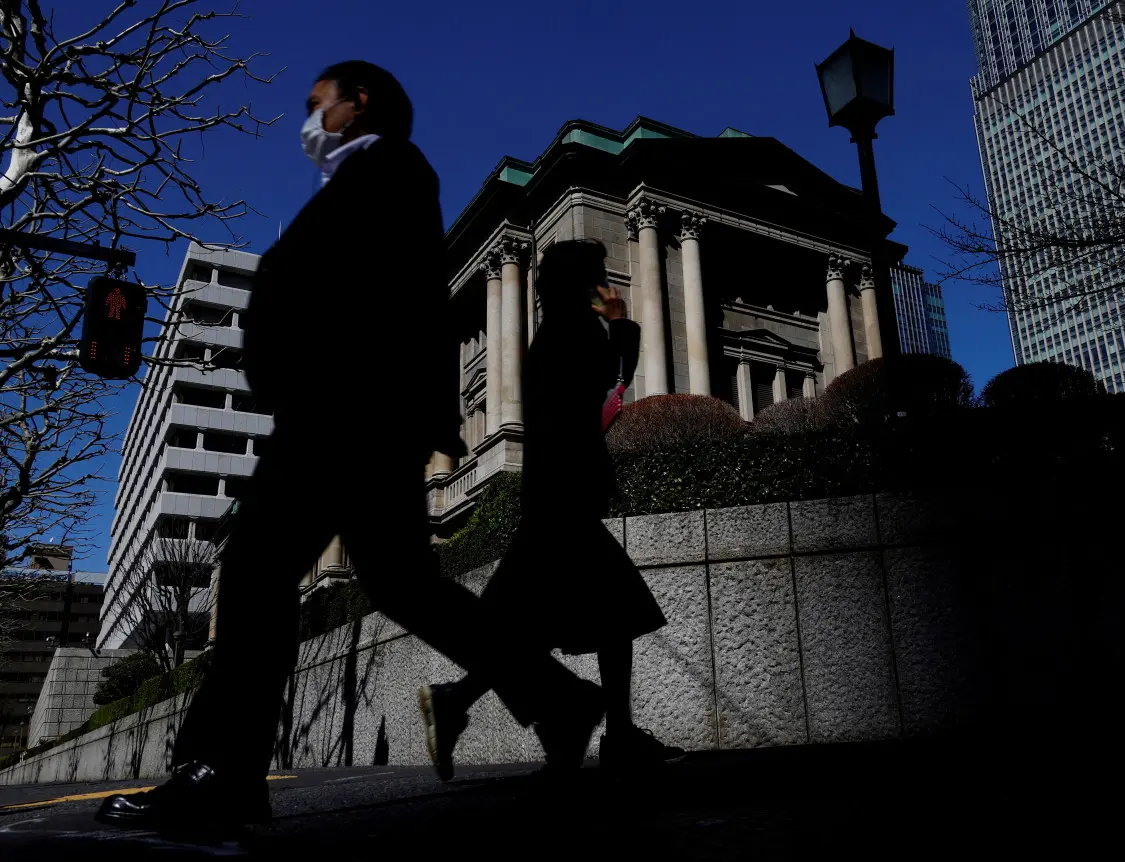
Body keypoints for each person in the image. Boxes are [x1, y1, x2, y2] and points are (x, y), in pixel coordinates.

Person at [95, 62, 603, 831]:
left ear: (357, 101)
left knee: (259, 569)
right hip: (361, 411)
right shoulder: (374, 177)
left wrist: (311, 371)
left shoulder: (391, 167)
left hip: (343, 408)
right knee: (403, 582)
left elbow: (377, 298)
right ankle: (559, 700)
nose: (308, 121)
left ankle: (223, 773)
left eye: (315, 104)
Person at [418, 240, 685, 781]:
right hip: (565, 498)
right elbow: (610, 379)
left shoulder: (550, 332)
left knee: (550, 620)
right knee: (609, 611)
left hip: (553, 497)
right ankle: (610, 733)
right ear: (583, 283)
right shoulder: (575, 331)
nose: (605, 285)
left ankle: (603, 732)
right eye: (598, 276)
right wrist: (621, 324)